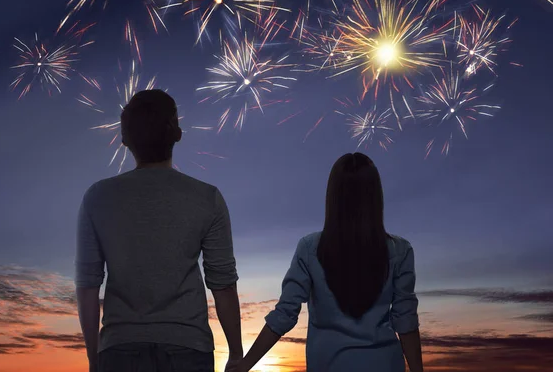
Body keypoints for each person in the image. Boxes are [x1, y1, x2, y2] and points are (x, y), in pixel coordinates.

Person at [74, 90, 243, 372]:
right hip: (189, 348)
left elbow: (88, 285)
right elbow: (223, 283)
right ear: (177, 133)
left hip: (119, 349)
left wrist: (95, 359)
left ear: (125, 139)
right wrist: (236, 354)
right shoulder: (206, 198)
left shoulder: (97, 197)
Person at [229, 152, 423, 372]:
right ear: (376, 196)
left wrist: (244, 365)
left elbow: (284, 315)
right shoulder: (400, 250)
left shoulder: (310, 248)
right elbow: (405, 321)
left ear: (332, 197)